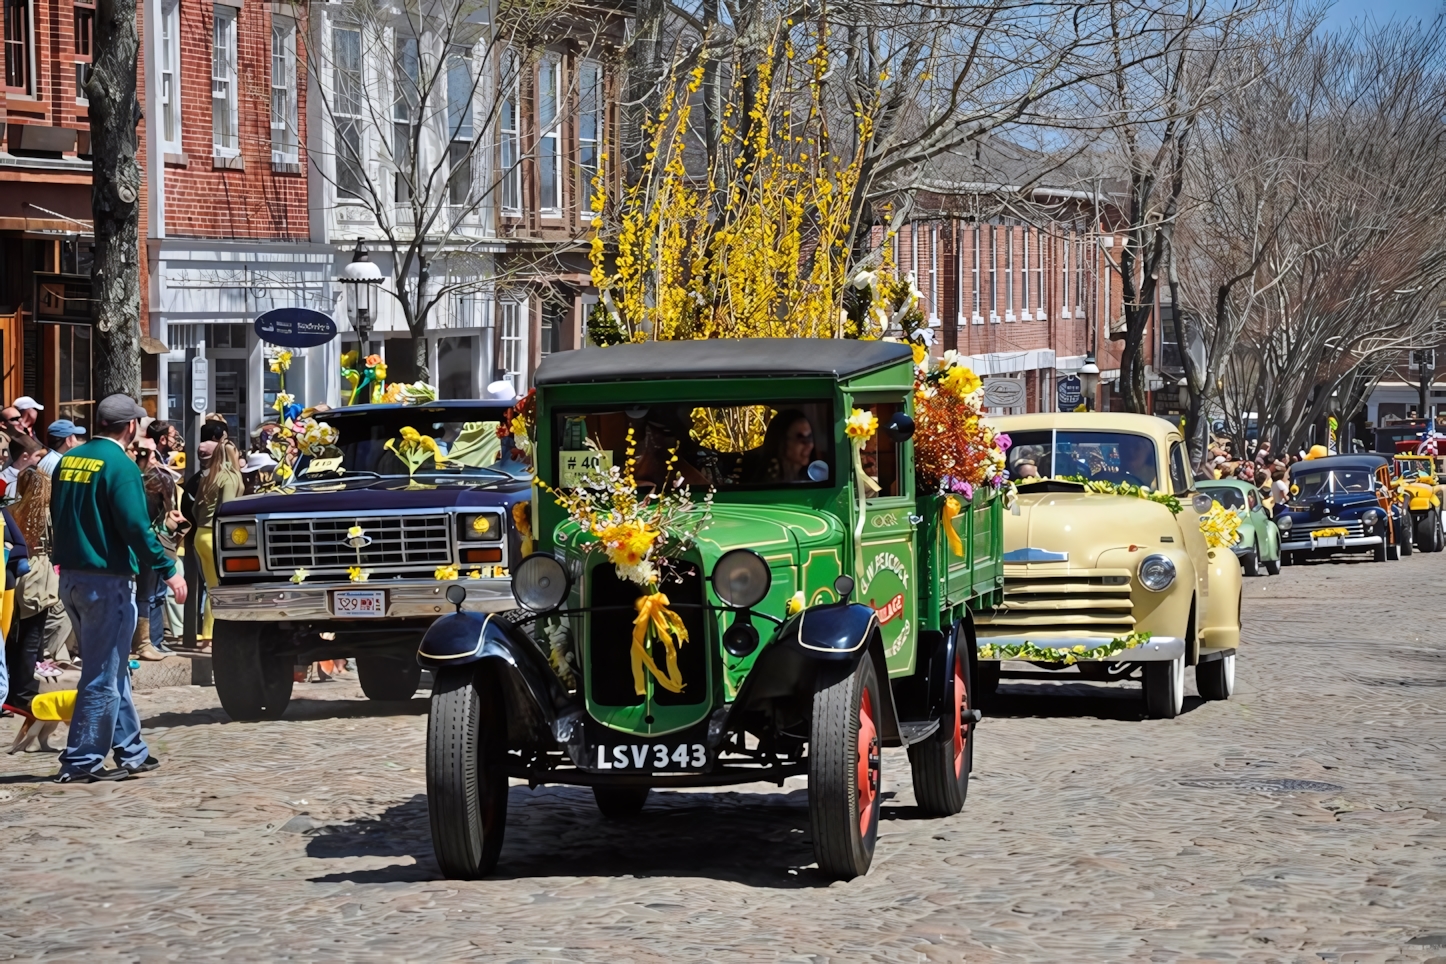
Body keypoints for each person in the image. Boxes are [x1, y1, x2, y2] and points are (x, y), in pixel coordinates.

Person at [51, 394, 188, 783]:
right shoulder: (120, 466)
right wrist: (168, 569)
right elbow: (135, 527)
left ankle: (131, 750)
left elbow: (57, 515)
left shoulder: (70, 460)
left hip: (73, 577)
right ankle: (81, 760)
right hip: (106, 581)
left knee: (113, 670)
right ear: (131, 426)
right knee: (101, 673)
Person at [4, 468, 70, 716]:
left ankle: (8, 688)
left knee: (11, 636)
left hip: (13, 573)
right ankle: (24, 694)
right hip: (40, 577)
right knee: (33, 638)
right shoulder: (50, 514)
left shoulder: (11, 510)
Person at [192, 438, 243, 641]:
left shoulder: (208, 477)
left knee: (210, 586)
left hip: (200, 535)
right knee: (218, 590)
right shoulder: (230, 478)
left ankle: (208, 634)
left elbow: (195, 509)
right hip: (215, 535)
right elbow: (228, 511)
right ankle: (211, 636)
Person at [746, 409, 817, 483]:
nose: (810, 445)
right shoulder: (765, 484)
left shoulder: (813, 480)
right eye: (801, 439)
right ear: (781, 441)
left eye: (810, 437)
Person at [1, 433, 45, 502]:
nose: (40, 459)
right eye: (38, 456)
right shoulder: (4, 481)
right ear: (25, 457)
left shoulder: (31, 476)